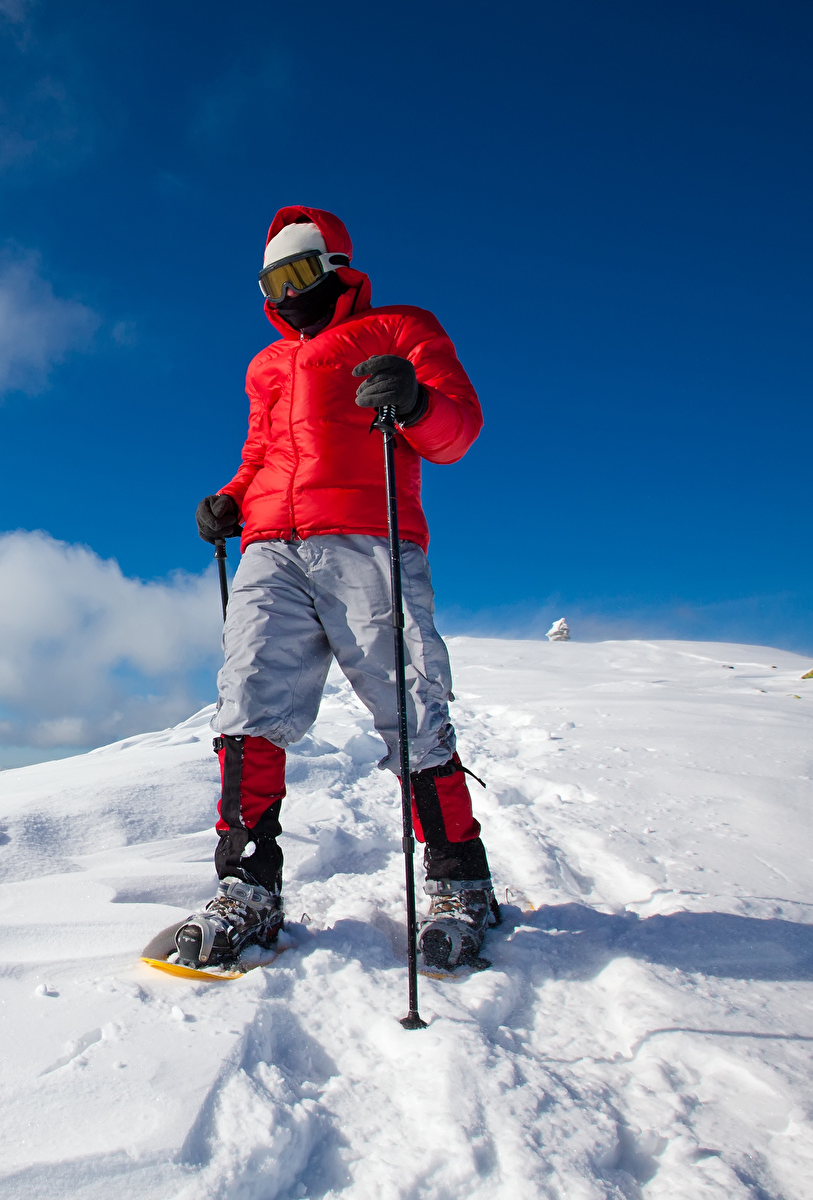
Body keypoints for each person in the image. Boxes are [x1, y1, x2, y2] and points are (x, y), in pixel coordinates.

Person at [172, 206, 493, 972]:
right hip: (269, 547)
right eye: (270, 281)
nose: (285, 294)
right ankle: (248, 887)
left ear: (335, 267)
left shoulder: (400, 329)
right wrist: (231, 498)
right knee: (245, 702)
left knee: (409, 706)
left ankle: (460, 883)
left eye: (298, 275)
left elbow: (457, 429)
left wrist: (412, 401)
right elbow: (260, 453)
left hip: (367, 535)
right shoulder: (266, 366)